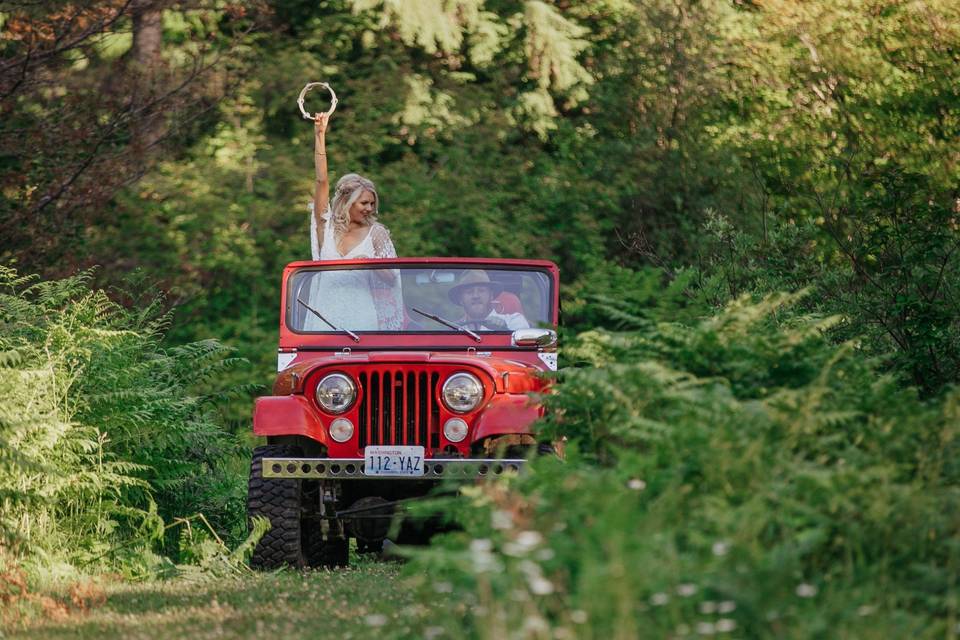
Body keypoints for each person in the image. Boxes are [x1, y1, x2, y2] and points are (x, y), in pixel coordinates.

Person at [305, 112, 403, 331]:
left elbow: (392, 279)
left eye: (372, 203)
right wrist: (320, 134)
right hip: (324, 318)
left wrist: (369, 263)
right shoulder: (326, 227)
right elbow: (321, 181)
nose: (370, 208)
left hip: (362, 317)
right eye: (364, 203)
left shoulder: (376, 233)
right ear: (347, 202)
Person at [449, 270, 529, 331]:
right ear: (461, 300)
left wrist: (504, 329)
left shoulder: (514, 321)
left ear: (491, 295)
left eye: (481, 290)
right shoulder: (453, 329)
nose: (476, 296)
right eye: (469, 292)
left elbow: (525, 349)